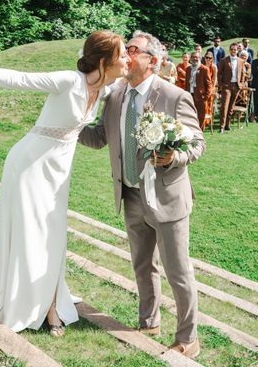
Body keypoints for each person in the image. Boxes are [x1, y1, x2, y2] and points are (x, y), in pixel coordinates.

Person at [0, 31, 128, 336]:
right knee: (29, 234)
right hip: (29, 165)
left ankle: (50, 302)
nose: (127, 60)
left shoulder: (106, 87)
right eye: (123, 55)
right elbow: (20, 79)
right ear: (105, 61)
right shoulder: (68, 80)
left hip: (58, 172)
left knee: (53, 236)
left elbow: (141, 79)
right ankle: (31, 306)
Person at [79, 30, 205, 360]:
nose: (127, 54)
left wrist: (174, 157)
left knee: (178, 273)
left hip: (167, 198)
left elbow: (197, 143)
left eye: (133, 50)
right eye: (125, 50)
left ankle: (188, 338)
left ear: (152, 61)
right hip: (131, 195)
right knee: (142, 266)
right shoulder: (116, 95)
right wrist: (65, 119)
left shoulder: (174, 96)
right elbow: (97, 139)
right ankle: (149, 322)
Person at [218, 42, 247, 133]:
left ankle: (227, 125)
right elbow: (219, 74)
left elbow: (242, 74)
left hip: (236, 86)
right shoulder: (224, 60)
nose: (233, 51)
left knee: (231, 107)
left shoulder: (241, 61)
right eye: (232, 49)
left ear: (237, 50)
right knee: (224, 106)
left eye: (235, 49)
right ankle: (221, 126)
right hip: (227, 86)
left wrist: (241, 84)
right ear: (229, 50)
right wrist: (221, 85)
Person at [186, 51, 213, 129]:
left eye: (196, 57)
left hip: (201, 97)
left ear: (200, 58)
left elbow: (209, 85)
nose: (195, 59)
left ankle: (199, 133)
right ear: (190, 59)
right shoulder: (188, 69)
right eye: (193, 57)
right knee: (190, 115)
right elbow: (187, 83)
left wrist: (205, 97)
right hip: (190, 96)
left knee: (200, 117)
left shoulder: (204, 69)